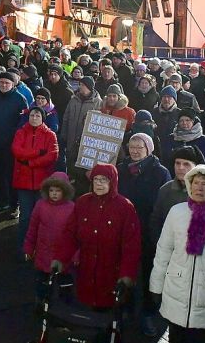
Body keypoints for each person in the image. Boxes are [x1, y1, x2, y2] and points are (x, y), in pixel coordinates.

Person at [149, 164, 205, 343]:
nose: (199, 187)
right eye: (196, 182)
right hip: (176, 294)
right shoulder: (176, 212)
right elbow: (163, 251)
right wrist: (155, 286)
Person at [53, 163, 140, 310]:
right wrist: (61, 258)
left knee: (109, 318)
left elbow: (131, 246)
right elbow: (70, 235)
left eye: (104, 180)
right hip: (86, 272)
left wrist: (126, 275)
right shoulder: (82, 202)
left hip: (111, 275)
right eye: (95, 179)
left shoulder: (125, 207)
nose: (98, 183)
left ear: (113, 182)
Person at [116, 132, 172, 337]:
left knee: (150, 272)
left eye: (140, 146)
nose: (135, 150)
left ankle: (149, 313)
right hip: (125, 229)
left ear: (149, 148)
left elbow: (162, 204)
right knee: (124, 270)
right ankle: (125, 308)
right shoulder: (121, 169)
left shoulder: (160, 172)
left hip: (149, 229)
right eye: (132, 146)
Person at [23, 172, 75, 301]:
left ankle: (65, 306)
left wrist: (76, 255)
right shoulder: (40, 205)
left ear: (65, 191)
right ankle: (41, 303)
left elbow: (76, 235)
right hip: (43, 252)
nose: (54, 193)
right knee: (42, 282)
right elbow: (32, 228)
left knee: (65, 283)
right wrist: (28, 248)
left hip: (64, 254)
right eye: (51, 190)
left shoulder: (72, 208)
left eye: (58, 190)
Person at [11, 106, 58, 248]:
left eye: (37, 116)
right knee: (25, 218)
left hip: (42, 183)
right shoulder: (20, 132)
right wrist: (38, 152)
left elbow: (52, 155)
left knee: (41, 217)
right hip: (23, 183)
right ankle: (24, 247)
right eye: (32, 115)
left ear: (43, 118)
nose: (34, 118)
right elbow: (17, 151)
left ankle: (41, 247)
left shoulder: (50, 135)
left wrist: (31, 162)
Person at [0, 72, 29, 210]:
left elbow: (23, 122)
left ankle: (12, 202)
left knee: (11, 174)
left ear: (13, 84)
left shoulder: (20, 99)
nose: (3, 85)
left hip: (11, 145)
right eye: (1, 82)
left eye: (6, 83)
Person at [62, 76, 103, 193]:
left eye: (83, 85)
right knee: (70, 166)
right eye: (80, 85)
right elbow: (66, 117)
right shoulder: (73, 99)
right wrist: (64, 133)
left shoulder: (98, 102)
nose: (80, 87)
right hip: (71, 139)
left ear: (89, 87)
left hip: (86, 144)